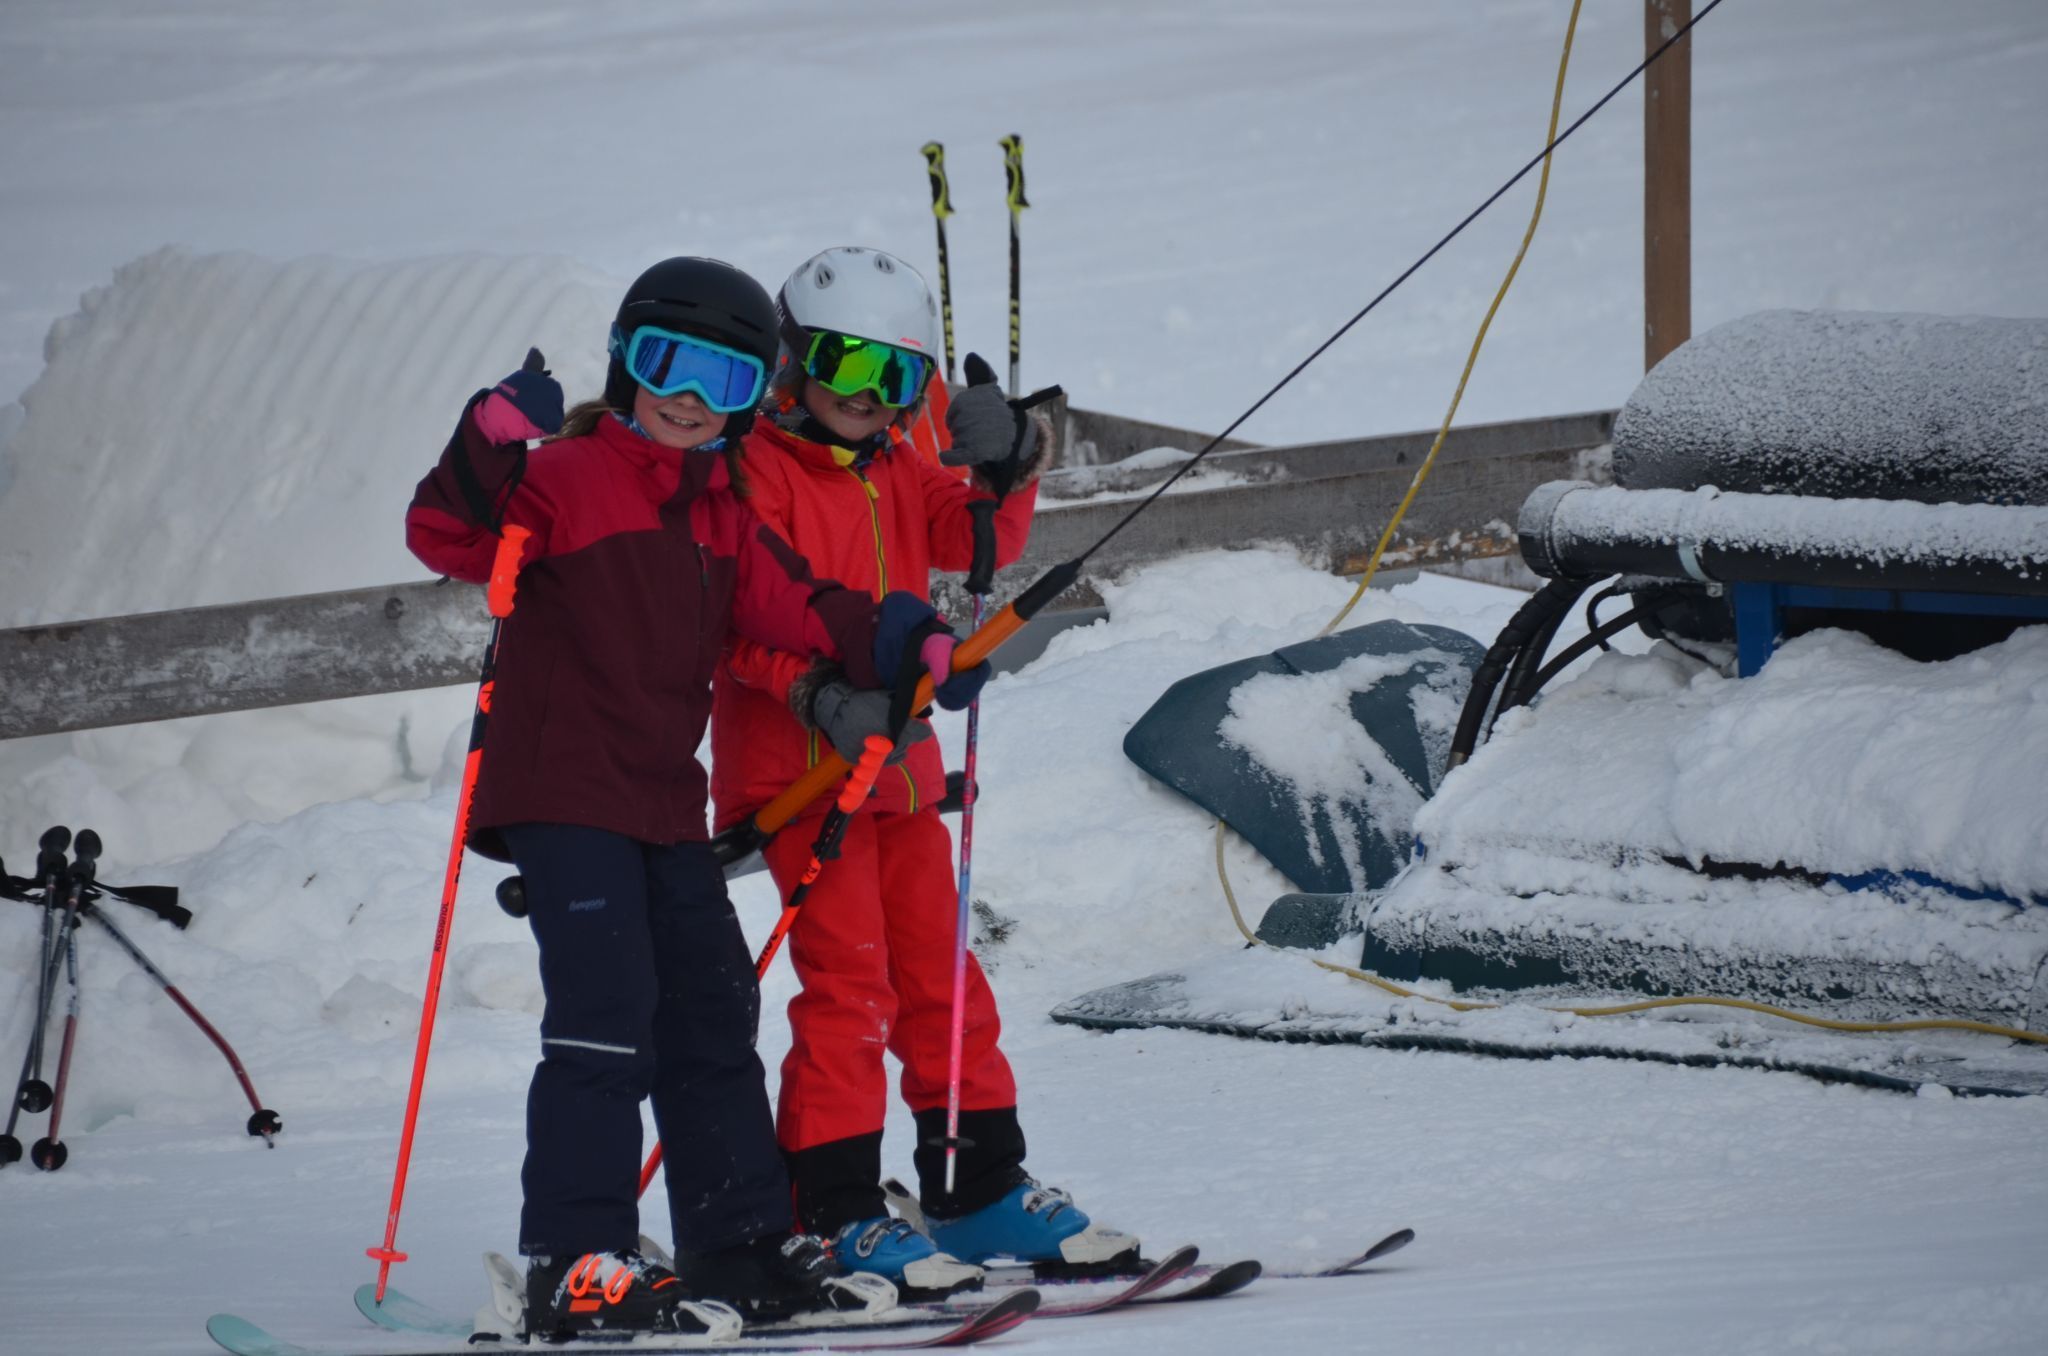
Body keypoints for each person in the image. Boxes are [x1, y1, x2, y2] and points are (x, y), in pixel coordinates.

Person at [404, 256, 985, 1339]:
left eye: (722, 378)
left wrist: (910, 638)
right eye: (666, 363)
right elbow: (449, 533)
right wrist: (489, 435)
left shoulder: (718, 505)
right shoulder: (567, 476)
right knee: (606, 1018)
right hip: (565, 792)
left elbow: (799, 602)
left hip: (661, 801)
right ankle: (575, 1261)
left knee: (714, 1011)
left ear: (753, 393)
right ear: (625, 361)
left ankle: (739, 1245)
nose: (687, 397)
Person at [708, 246, 1138, 1297]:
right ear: (791, 361)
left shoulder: (896, 460)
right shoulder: (751, 472)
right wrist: (814, 693)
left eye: (895, 376)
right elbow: (732, 627)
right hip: (804, 776)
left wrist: (1007, 466)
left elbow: (966, 536)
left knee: (942, 979)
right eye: (846, 365)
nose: (867, 396)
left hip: (899, 773)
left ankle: (974, 1185)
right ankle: (837, 1207)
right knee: (849, 985)